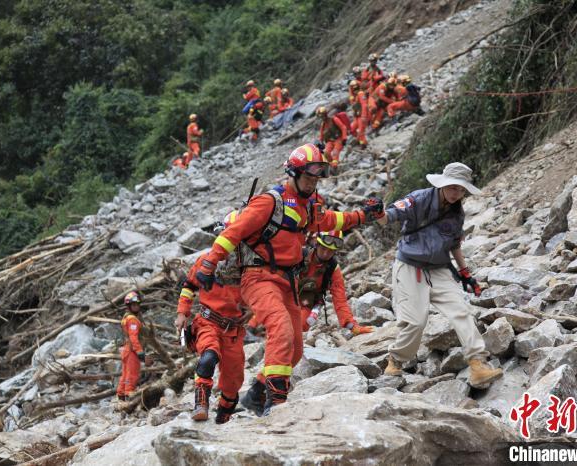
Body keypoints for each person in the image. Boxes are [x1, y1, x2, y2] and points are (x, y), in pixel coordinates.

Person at [191, 143, 384, 415]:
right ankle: (277, 404)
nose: (312, 183)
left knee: (293, 350)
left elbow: (331, 221)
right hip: (259, 277)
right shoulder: (269, 202)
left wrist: (363, 215)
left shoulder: (308, 206)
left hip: (288, 282)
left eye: (317, 178)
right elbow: (234, 231)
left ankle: (256, 395)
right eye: (308, 177)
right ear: (293, 174)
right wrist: (210, 261)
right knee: (280, 328)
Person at [377, 162, 503, 389]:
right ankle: (396, 360)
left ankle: (477, 364)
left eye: (461, 190)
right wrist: (377, 213)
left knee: (462, 311)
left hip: (439, 267)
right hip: (410, 265)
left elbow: (454, 244)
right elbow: (390, 215)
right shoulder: (419, 198)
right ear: (443, 184)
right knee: (416, 321)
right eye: (453, 188)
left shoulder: (457, 214)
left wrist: (465, 274)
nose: (457, 194)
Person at [240, 230, 374, 415]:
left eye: (331, 251)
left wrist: (351, 325)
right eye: (324, 248)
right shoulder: (298, 255)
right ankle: (274, 400)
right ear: (316, 244)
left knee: (296, 354)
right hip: (282, 295)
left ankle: (255, 393)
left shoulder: (332, 269)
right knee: (282, 340)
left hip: (305, 304)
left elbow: (339, 298)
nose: (326, 254)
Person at [176, 213, 253, 424]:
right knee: (209, 356)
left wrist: (254, 311)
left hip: (234, 331)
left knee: (234, 379)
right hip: (208, 322)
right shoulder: (206, 261)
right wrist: (182, 313)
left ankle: (223, 416)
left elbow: (261, 293)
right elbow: (190, 285)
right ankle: (201, 405)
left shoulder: (250, 267)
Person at [116, 291, 152, 400]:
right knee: (132, 374)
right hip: (132, 351)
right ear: (129, 306)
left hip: (127, 350)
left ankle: (121, 394)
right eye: (133, 305)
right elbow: (134, 338)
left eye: (137, 304)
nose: (136, 307)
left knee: (125, 374)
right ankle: (129, 394)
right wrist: (140, 353)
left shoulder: (126, 317)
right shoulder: (132, 320)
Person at [316, 106, 348, 175]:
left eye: (323, 115)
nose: (322, 118)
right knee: (326, 153)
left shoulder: (334, 119)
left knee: (335, 153)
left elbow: (343, 128)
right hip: (330, 141)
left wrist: (344, 138)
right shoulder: (323, 125)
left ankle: (335, 167)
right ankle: (331, 165)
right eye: (321, 117)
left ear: (326, 114)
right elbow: (321, 136)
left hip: (338, 139)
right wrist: (319, 143)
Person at [348, 80, 369, 148]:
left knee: (361, 131)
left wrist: (363, 116)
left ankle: (363, 144)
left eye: (355, 88)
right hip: (357, 117)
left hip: (361, 116)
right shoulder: (355, 96)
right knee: (352, 130)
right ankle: (359, 140)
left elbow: (364, 105)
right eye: (353, 88)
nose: (354, 89)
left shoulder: (360, 94)